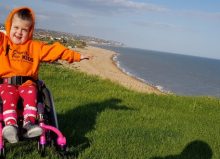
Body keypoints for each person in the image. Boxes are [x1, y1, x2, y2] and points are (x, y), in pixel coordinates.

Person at [0, 7, 91, 143]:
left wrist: (77, 56)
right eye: (16, 27)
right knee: (8, 94)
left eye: (24, 30)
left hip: (28, 84)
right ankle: (10, 126)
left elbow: (55, 51)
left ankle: (29, 124)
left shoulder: (35, 47)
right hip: (7, 83)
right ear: (9, 26)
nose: (19, 32)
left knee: (32, 92)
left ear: (29, 31)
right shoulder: (3, 42)